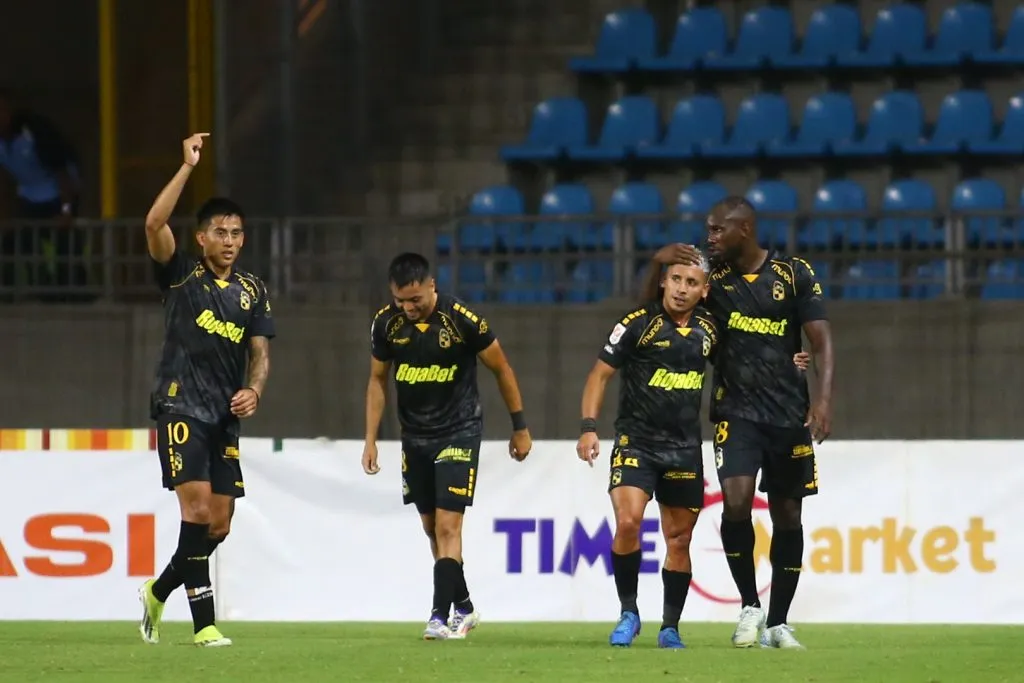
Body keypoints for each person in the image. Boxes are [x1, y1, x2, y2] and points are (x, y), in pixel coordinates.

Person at [578, 255, 810, 649]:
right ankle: (629, 611)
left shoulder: (709, 329)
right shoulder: (637, 323)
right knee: (629, 522)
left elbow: (747, 357)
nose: (682, 288)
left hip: (684, 448)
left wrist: (791, 361)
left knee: (679, 540)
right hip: (637, 442)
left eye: (691, 282)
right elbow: (600, 374)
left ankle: (670, 626)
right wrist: (588, 428)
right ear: (664, 283)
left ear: (705, 290)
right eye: (676, 280)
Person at [650, 196, 834, 650]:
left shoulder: (794, 275)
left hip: (789, 415)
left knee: (789, 514)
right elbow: (664, 311)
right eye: (708, 230)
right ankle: (750, 604)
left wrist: (824, 401)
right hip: (736, 412)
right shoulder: (712, 282)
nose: (709, 238)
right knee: (734, 502)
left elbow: (822, 342)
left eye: (717, 230)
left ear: (743, 230)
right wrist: (659, 266)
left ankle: (779, 622)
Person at [136, 133, 276, 648]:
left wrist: (255, 391)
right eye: (220, 232)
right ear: (201, 238)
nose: (231, 241)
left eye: (237, 232)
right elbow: (153, 223)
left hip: (223, 415)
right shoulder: (179, 274)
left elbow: (260, 353)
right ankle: (204, 626)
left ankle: (157, 589)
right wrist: (187, 168)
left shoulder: (253, 290)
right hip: (180, 404)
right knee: (194, 513)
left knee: (218, 524)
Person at [362, 252, 532, 640]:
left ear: (431, 286)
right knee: (430, 529)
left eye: (416, 299)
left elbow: (502, 367)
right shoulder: (385, 324)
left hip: (459, 431)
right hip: (414, 437)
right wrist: (370, 439)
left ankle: (438, 616)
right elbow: (376, 380)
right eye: (401, 301)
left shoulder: (461, 321)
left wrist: (519, 426)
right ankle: (465, 607)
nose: (408, 308)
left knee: (447, 525)